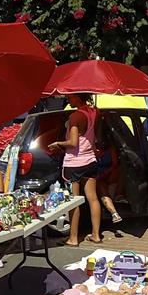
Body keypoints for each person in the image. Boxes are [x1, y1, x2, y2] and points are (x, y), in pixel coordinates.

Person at [49, 93, 102, 246]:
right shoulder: (94, 112)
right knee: (93, 198)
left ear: (78, 97)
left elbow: (73, 143)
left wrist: (58, 143)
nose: (68, 99)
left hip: (74, 163)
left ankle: (73, 238)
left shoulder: (75, 116)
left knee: (74, 202)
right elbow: (96, 136)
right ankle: (96, 235)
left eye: (70, 97)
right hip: (90, 159)